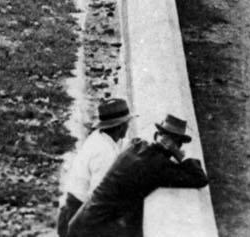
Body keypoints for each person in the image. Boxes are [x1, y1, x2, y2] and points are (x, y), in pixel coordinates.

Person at [67, 112, 209, 236]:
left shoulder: (135, 145)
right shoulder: (157, 166)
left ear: (157, 134)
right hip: (94, 230)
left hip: (81, 222)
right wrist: (179, 156)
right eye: (179, 144)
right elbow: (200, 178)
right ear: (174, 143)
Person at [55, 97, 131, 237]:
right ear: (120, 127)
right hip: (77, 217)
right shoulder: (103, 153)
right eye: (127, 123)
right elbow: (99, 198)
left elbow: (125, 145)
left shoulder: (101, 137)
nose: (128, 126)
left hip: (72, 210)